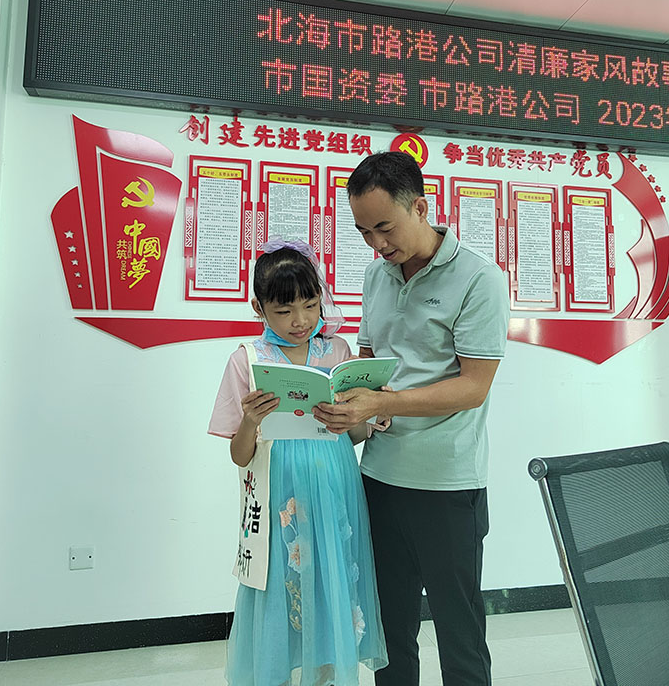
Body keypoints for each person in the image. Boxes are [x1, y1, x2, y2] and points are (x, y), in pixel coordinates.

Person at [312, 152, 510, 686]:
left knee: (459, 632)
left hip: (447, 481)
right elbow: (370, 364)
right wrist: (343, 401)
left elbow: (473, 387)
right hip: (379, 478)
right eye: (363, 231)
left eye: (385, 227)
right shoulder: (375, 276)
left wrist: (383, 404)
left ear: (420, 208)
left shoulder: (479, 279)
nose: (376, 244)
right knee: (388, 631)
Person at [208, 239, 388, 686]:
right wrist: (251, 420)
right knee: (281, 583)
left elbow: (354, 435)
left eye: (310, 306)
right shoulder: (247, 361)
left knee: (332, 581)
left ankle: (326, 676)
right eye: (284, 310)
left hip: (335, 485)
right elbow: (239, 455)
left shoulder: (337, 353)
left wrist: (370, 414)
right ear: (259, 308)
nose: (301, 321)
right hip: (280, 494)